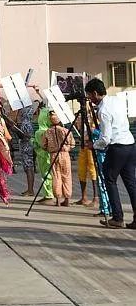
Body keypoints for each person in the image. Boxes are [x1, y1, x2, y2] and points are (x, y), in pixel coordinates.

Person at [85, 78, 136, 229]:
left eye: (90, 96)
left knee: (110, 180)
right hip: (130, 144)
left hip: (117, 147)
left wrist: (93, 145)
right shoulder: (116, 100)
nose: (90, 99)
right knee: (131, 183)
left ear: (95, 93)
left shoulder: (103, 110)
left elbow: (106, 138)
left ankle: (117, 217)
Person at [41, 110, 75, 206]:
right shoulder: (66, 131)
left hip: (53, 154)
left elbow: (43, 145)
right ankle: (67, 199)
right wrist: (67, 148)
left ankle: (58, 200)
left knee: (56, 176)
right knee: (66, 176)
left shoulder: (47, 132)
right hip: (64, 154)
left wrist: (50, 149)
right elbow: (72, 144)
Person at [74, 107, 98, 208]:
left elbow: (97, 130)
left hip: (92, 145)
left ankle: (96, 197)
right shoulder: (82, 116)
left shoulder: (96, 114)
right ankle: (84, 197)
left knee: (93, 170)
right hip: (83, 145)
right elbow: (79, 128)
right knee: (81, 170)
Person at [33, 107, 55, 202]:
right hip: (52, 155)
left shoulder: (39, 132)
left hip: (43, 156)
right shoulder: (52, 130)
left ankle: (48, 194)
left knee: (45, 174)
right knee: (52, 174)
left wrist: (32, 141)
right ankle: (54, 192)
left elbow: (38, 144)